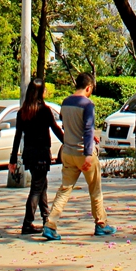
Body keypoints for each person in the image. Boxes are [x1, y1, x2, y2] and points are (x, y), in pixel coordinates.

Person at [43, 73, 116, 241]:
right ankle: (101, 224)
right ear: (88, 87)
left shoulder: (65, 102)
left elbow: (67, 124)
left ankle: (50, 224)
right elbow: (88, 129)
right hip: (84, 154)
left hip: (67, 152)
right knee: (95, 189)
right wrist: (89, 154)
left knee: (64, 189)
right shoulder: (88, 105)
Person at [8, 78, 64, 235]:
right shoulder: (44, 111)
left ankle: (46, 219)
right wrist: (69, 143)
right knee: (36, 189)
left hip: (29, 154)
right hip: (41, 154)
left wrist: (12, 160)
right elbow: (55, 129)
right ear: (41, 92)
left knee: (41, 186)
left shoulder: (23, 112)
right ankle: (27, 223)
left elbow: (17, 136)